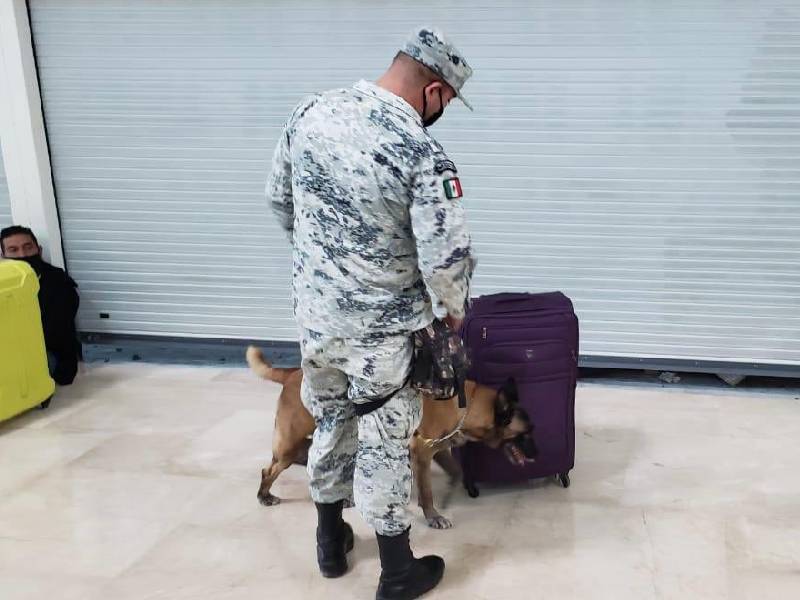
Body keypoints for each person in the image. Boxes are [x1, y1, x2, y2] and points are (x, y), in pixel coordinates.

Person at [265, 26, 475, 600]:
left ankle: (330, 542)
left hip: (316, 321)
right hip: (383, 334)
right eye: (449, 101)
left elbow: (279, 200)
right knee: (384, 438)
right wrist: (453, 314)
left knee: (330, 420)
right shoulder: (421, 150)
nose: (445, 112)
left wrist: (325, 270)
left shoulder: (310, 113)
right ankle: (398, 571)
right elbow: (446, 257)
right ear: (433, 90)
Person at [1, 225, 81, 385]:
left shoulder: (58, 282)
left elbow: (54, 331)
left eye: (27, 247)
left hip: (49, 354)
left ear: (39, 250)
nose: (22, 255)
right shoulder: (4, 285)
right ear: (3, 256)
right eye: (13, 250)